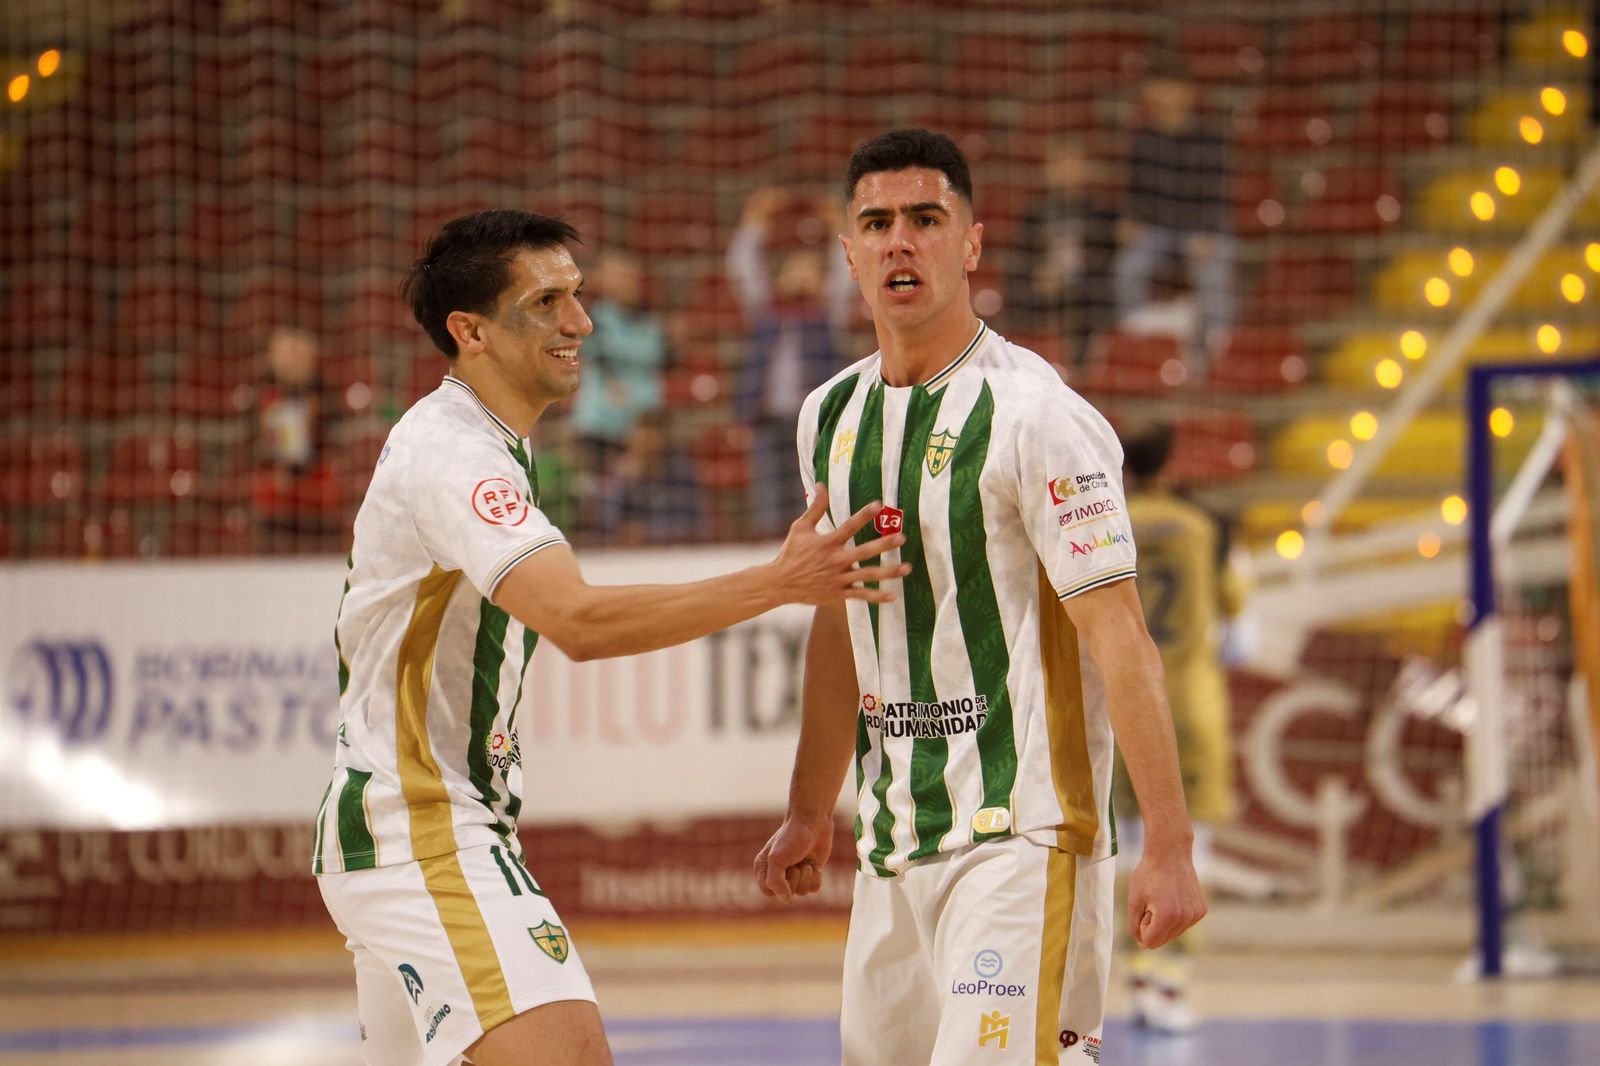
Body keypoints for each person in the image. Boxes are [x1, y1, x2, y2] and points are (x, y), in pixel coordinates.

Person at [312, 209, 910, 1066]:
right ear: (469, 331)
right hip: (420, 830)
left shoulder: (482, 445)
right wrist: (779, 582)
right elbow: (580, 622)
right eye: (548, 301)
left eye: (578, 297)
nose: (581, 323)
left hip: (404, 827)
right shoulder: (456, 457)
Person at [753, 130, 1206, 1065]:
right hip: (893, 838)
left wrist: (1168, 838)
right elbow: (843, 617)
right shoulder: (829, 416)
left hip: (1023, 830)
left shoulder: (1039, 415)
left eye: (927, 219)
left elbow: (1120, 634)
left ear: (972, 244)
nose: (899, 243)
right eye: (875, 224)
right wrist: (809, 805)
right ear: (847, 253)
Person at [1117, 421, 1241, 1033]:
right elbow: (1239, 628)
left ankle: (1136, 975)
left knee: (1122, 849)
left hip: (1122, 704)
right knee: (1192, 849)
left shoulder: (1103, 520)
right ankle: (1173, 985)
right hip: (1190, 704)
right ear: (1170, 464)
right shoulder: (1203, 528)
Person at [727, 186, 857, 537]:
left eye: (809, 269)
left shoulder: (827, 313)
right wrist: (754, 222)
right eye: (794, 268)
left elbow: (847, 274)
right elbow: (743, 269)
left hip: (815, 421)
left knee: (813, 492)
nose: (801, 274)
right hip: (768, 419)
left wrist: (838, 229)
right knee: (768, 497)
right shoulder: (766, 313)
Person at [1112, 68, 1234, 368]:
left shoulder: (1209, 140)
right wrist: (1130, 221)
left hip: (1199, 231)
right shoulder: (1143, 140)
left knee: (1215, 273)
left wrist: (1208, 233)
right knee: (1128, 269)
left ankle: (1215, 350)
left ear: (1187, 94)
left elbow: (1219, 195)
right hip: (1156, 230)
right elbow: (1134, 192)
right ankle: (1141, 341)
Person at [1006, 135, 1117, 365]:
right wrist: (1039, 273)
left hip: (1083, 289)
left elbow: (1105, 258)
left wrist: (1069, 277)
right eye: (1058, 164)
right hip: (1043, 287)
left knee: (1089, 301)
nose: (1065, 170)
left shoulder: (1100, 210)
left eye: (1072, 163)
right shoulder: (1035, 213)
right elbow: (1022, 255)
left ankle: (1080, 369)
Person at [568, 249, 667, 479]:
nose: (627, 283)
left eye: (630, 276)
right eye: (619, 276)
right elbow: (594, 359)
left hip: (640, 432)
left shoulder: (652, 324)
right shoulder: (591, 318)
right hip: (599, 427)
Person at [249, 325, 341, 552]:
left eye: (299, 354)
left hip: (319, 507)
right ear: (272, 357)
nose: (293, 361)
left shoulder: (329, 398)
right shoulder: (258, 398)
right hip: (274, 509)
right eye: (287, 354)